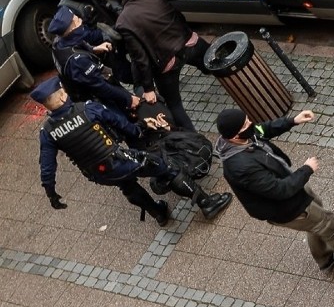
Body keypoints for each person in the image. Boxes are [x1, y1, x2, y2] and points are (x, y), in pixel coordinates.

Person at [32, 77, 231, 226]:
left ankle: (159, 214)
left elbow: (47, 167)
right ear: (61, 95)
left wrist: (52, 194)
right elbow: (120, 123)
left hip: (98, 173)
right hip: (120, 159)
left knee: (127, 186)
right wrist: (140, 130)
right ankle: (206, 203)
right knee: (167, 167)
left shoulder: (47, 132)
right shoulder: (87, 109)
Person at [216, 107, 334, 277]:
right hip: (287, 207)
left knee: (317, 217)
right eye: (246, 124)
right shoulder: (240, 167)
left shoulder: (244, 136)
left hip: (292, 186)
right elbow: (279, 190)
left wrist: (292, 121)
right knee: (331, 225)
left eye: (247, 119)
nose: (251, 124)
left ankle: (325, 258)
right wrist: (306, 169)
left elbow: (264, 129)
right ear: (234, 136)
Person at [106, 0, 216, 132]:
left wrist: (149, 89)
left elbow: (140, 57)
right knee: (214, 62)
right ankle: (234, 81)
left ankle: (195, 140)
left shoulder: (123, 21)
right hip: (189, 43)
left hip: (167, 63)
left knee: (174, 105)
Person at [49, 6, 139, 114]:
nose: (81, 20)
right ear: (72, 29)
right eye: (77, 20)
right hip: (98, 100)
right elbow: (101, 87)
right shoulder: (78, 62)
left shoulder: (60, 41)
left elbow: (77, 44)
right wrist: (128, 99)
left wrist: (93, 49)